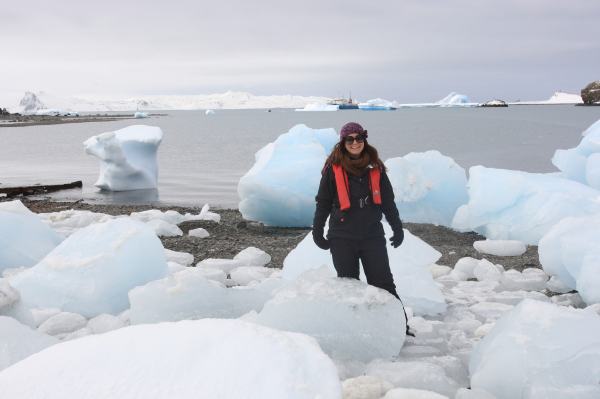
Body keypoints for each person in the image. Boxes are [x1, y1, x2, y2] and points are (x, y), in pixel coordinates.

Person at [312, 122, 413, 336]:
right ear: (343, 142)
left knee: (384, 284)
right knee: (349, 286)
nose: (355, 142)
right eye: (350, 139)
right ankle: (355, 334)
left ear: (364, 140)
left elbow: (388, 201)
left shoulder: (376, 167)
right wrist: (317, 231)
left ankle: (399, 328)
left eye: (359, 138)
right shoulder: (332, 169)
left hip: (372, 236)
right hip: (342, 237)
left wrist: (397, 227)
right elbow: (323, 202)